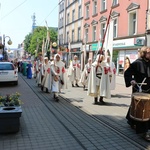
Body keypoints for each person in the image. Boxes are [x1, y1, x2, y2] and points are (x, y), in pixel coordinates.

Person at [124, 46, 150, 141]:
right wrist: (131, 80)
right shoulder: (137, 63)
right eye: (149, 53)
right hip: (139, 89)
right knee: (142, 109)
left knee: (143, 108)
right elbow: (127, 73)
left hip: (148, 89)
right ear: (144, 53)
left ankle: (131, 120)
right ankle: (144, 132)